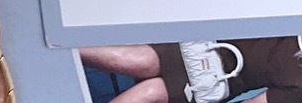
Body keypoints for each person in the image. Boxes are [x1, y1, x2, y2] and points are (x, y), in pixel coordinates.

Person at [80, 37, 302, 103]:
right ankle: (64, 48)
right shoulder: (287, 13)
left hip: (212, 81)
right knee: (143, 60)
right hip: (203, 42)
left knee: (151, 92)